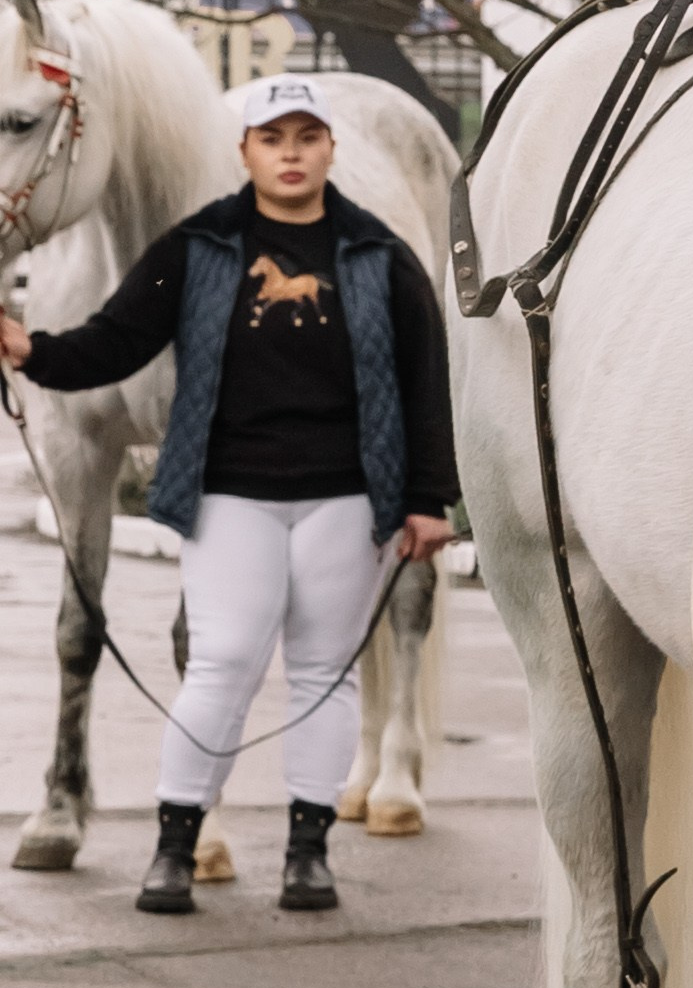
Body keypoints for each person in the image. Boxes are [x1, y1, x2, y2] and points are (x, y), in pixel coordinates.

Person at [0, 73, 456, 916]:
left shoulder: (380, 255)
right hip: (228, 493)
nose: (290, 155)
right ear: (244, 151)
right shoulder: (197, 247)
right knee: (220, 665)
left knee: (325, 674)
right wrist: (35, 353)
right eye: (272, 140)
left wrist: (431, 497)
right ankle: (176, 844)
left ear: (329, 150)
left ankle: (307, 853)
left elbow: (428, 381)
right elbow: (117, 340)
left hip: (346, 497)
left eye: (306, 139)